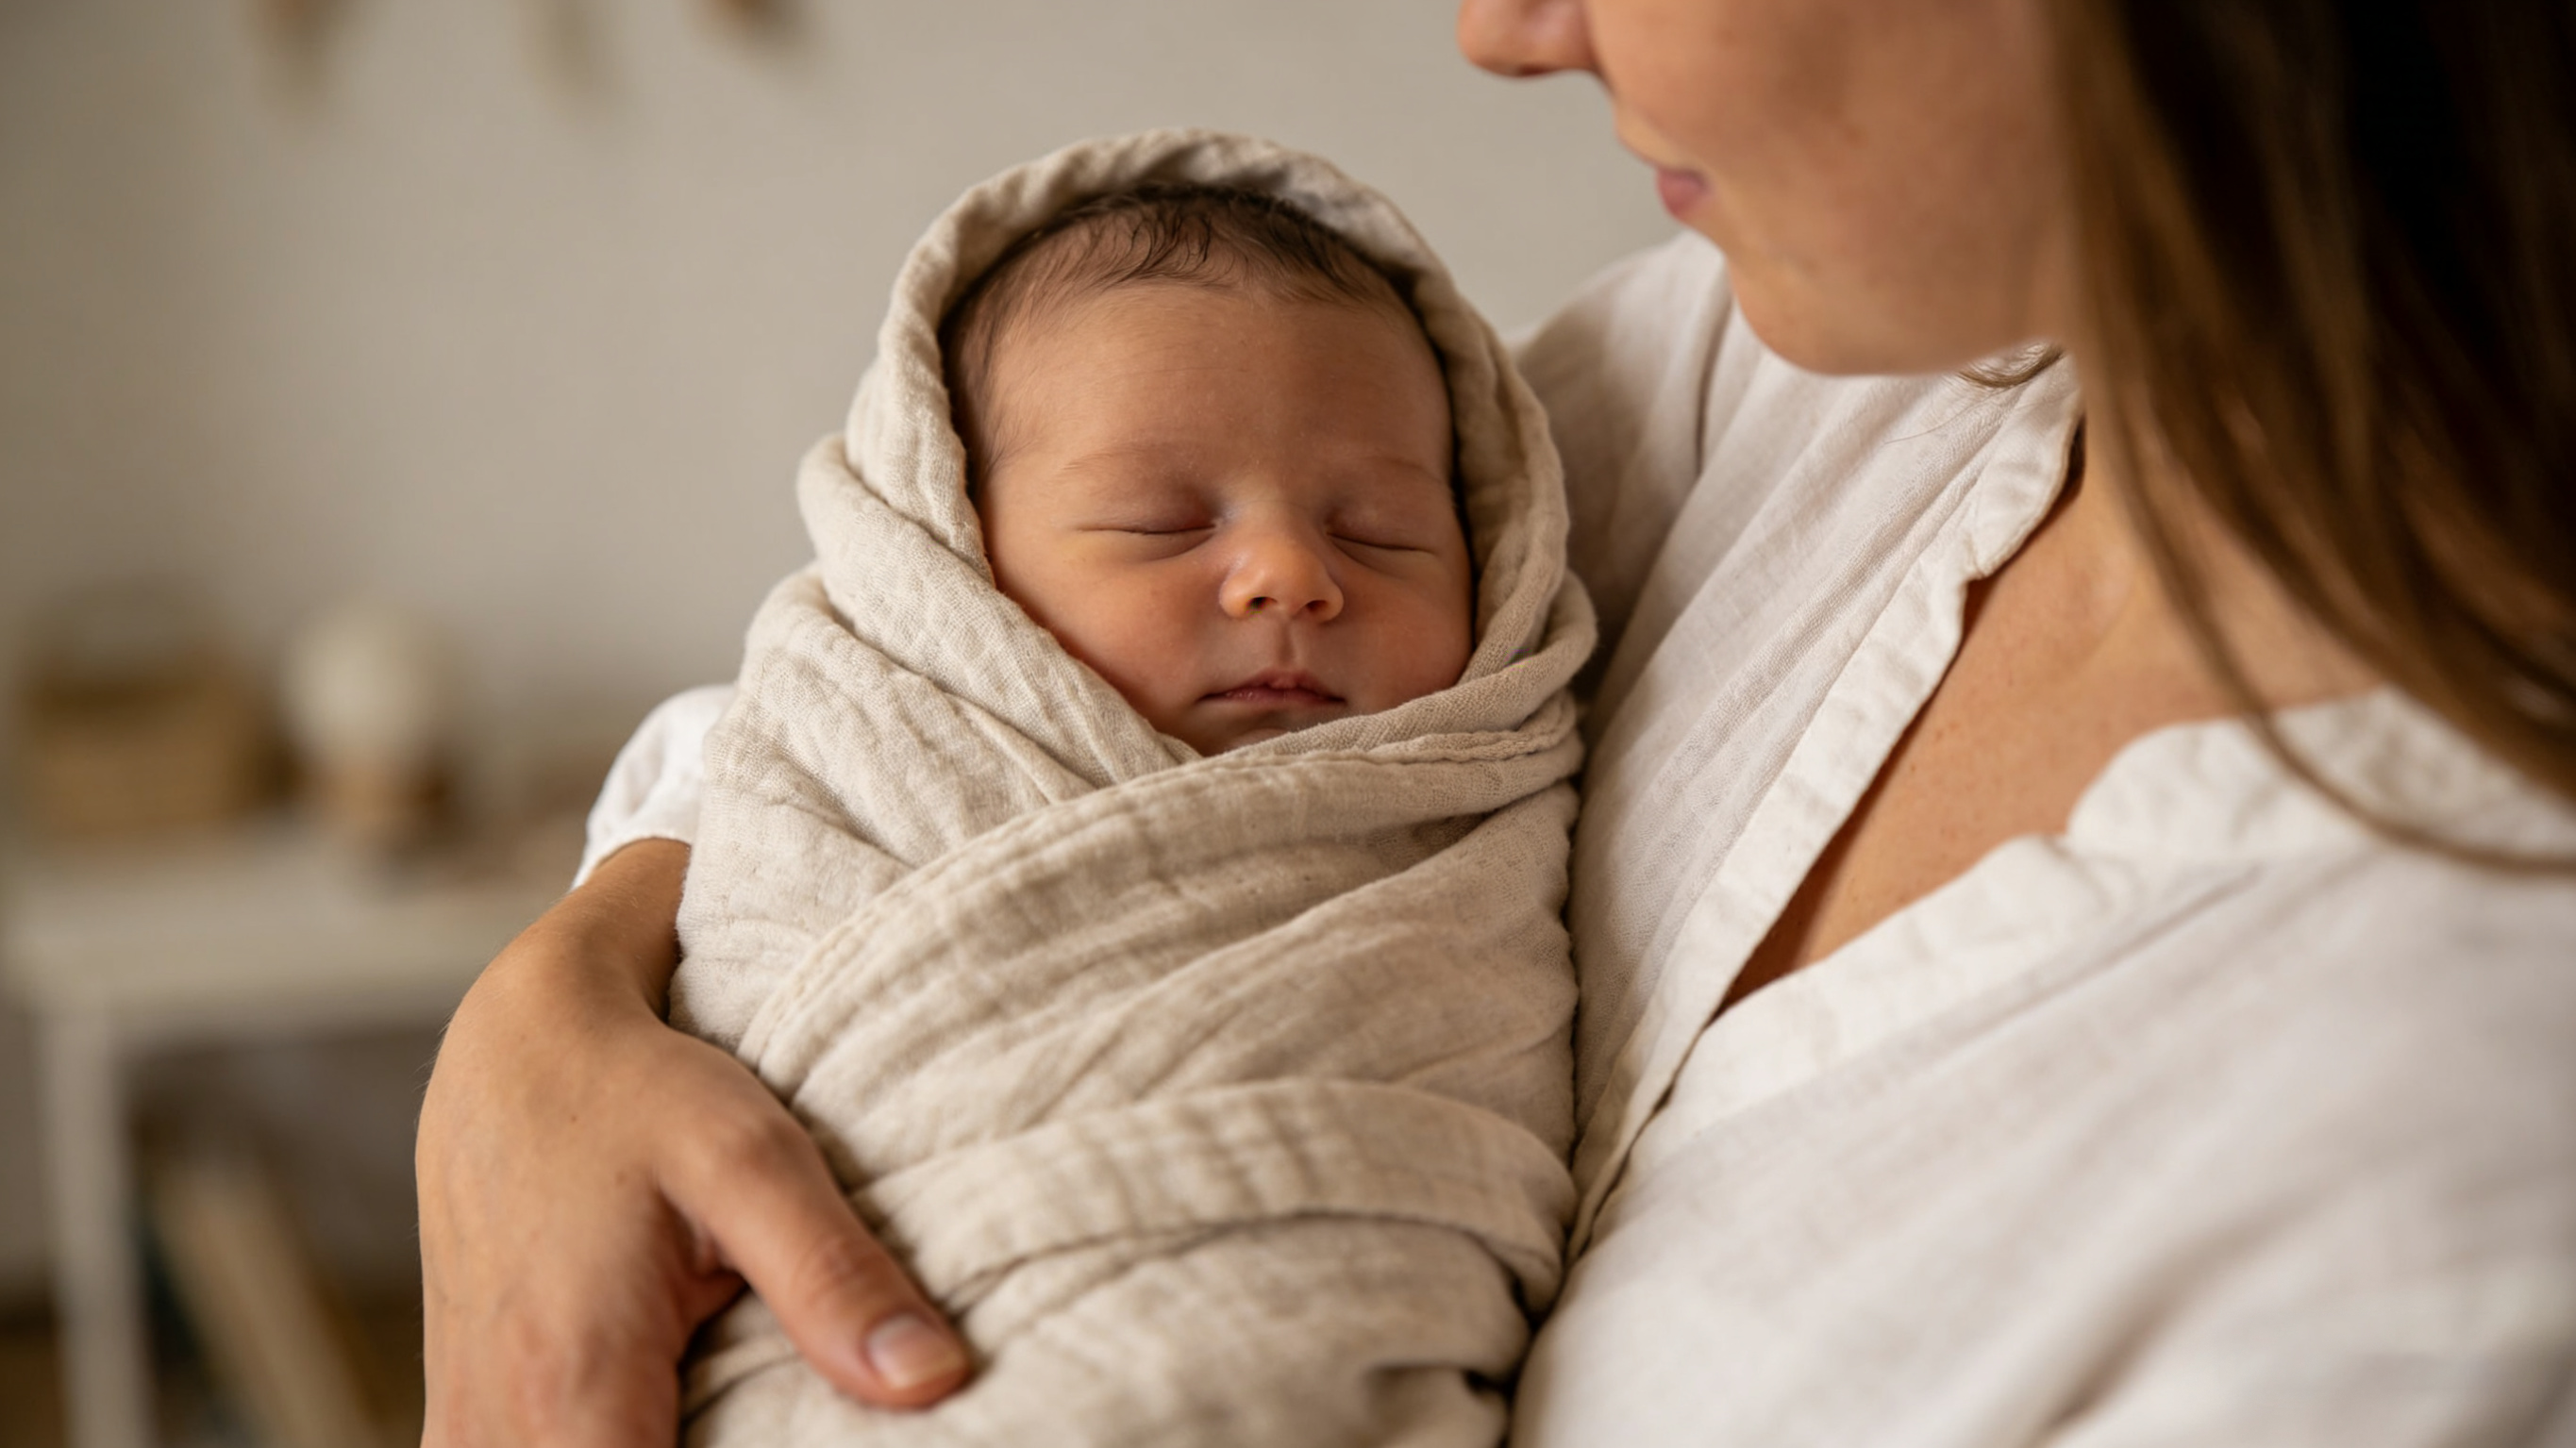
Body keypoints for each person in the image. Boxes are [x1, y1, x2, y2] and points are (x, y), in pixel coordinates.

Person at [419, 1, 2576, 1444]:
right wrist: (563, 1002)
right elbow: (920, 677)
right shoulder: (1809, 386)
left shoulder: (2446, 1160)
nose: (1502, 24)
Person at [663, 143, 1596, 1444]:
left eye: (1382, 528)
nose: (1287, 574)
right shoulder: (854, 742)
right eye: (1161, 521)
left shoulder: (1484, 802)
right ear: (950, 565)